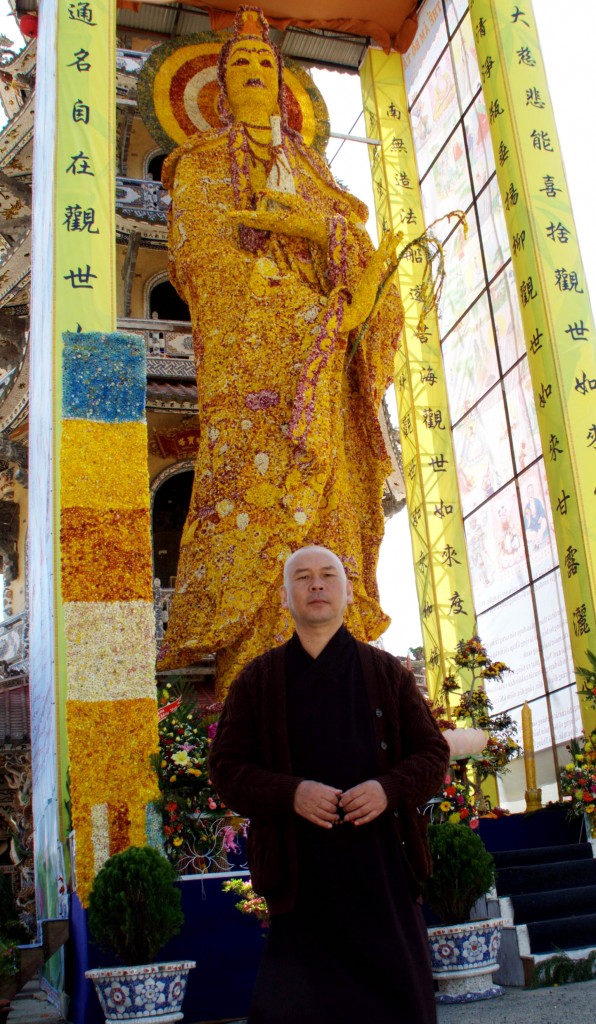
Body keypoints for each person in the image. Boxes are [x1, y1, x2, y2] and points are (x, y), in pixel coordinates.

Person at [157, 7, 404, 693]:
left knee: (327, 509)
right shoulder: (198, 165)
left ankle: (344, 683)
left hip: (320, 368)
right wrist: (285, 308)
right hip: (251, 378)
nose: (255, 73)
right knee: (252, 506)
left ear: (284, 84)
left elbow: (366, 261)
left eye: (266, 64)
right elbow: (197, 263)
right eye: (241, 64)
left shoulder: (313, 172)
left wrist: (318, 236)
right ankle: (257, 686)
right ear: (218, 86)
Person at [209, 544, 450, 1024]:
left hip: (382, 870)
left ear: (347, 592)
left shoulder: (387, 675)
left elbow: (433, 753)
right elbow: (227, 770)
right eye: (302, 577)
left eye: (327, 575)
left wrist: (388, 788)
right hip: (301, 881)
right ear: (284, 597)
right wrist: (291, 793)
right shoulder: (257, 681)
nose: (316, 584)